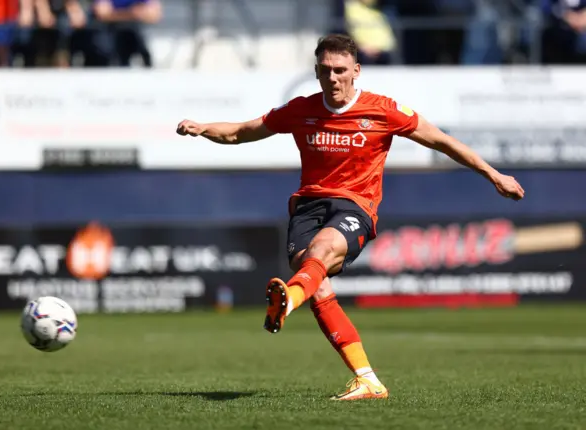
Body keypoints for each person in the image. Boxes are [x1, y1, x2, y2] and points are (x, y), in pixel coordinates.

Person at [176, 33, 525, 401]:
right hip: (307, 208)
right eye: (325, 70)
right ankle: (367, 380)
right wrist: (203, 129)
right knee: (319, 286)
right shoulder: (301, 109)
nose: (333, 78)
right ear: (315, 72)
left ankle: (288, 301)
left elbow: (442, 141)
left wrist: (494, 175)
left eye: (341, 70)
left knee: (321, 252)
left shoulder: (384, 111)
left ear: (356, 71)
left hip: (355, 206)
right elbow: (242, 133)